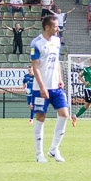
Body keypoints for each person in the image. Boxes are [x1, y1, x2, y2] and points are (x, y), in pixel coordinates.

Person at [30, 15, 68, 163]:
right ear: (47, 27)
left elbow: (57, 61)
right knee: (41, 118)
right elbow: (35, 67)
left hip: (56, 87)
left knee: (64, 115)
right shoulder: (36, 43)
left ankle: (54, 149)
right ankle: (39, 154)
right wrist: (42, 87)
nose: (58, 29)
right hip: (40, 88)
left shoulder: (57, 41)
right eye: (55, 26)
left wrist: (60, 78)